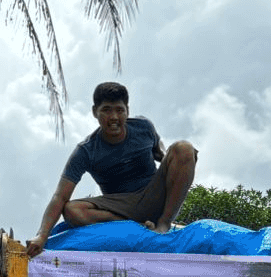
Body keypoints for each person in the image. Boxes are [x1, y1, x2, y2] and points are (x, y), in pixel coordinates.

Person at [27, 81, 198, 256]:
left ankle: (163, 223)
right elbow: (60, 196)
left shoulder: (143, 127)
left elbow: (159, 151)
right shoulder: (86, 151)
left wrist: (180, 160)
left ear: (127, 110)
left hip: (153, 194)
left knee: (184, 148)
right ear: (95, 112)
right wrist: (41, 236)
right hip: (121, 207)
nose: (114, 117)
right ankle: (137, 226)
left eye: (119, 110)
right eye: (107, 110)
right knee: (71, 210)